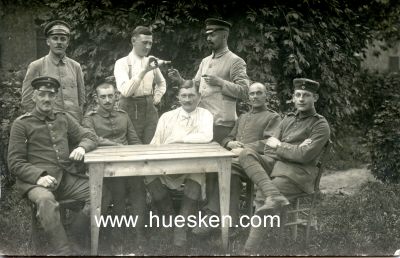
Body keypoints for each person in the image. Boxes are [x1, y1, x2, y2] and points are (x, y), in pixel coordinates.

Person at [168, 17, 250, 215]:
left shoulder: (235, 61)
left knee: (222, 171)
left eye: (213, 34)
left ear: (224, 35)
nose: (209, 38)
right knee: (207, 170)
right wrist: (180, 80)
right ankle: (210, 212)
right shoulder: (205, 61)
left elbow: (245, 91)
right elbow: (195, 86)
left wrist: (220, 82)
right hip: (204, 125)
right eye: (207, 35)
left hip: (223, 124)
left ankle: (219, 215)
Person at [8, 76, 98, 255]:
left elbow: (90, 136)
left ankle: (74, 236)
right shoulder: (21, 124)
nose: (47, 99)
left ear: (56, 97)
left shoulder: (63, 118)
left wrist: (82, 146)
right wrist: (38, 177)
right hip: (34, 182)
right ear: (34, 96)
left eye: (51, 94)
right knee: (45, 201)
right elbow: (15, 162)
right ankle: (64, 251)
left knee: (98, 192)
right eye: (42, 94)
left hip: (64, 178)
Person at [238, 78, 331, 252]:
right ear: (293, 98)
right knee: (246, 153)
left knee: (261, 195)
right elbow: (268, 148)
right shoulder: (287, 119)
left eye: (306, 95)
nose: (301, 99)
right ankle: (274, 195)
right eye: (298, 95)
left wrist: (281, 146)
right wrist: (293, 150)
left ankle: (248, 251)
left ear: (315, 98)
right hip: (278, 165)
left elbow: (304, 156)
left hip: (297, 174)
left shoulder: (320, 124)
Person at [192, 82, 281, 236]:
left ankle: (213, 217)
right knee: (221, 169)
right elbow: (227, 137)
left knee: (227, 168)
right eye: (252, 93)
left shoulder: (273, 117)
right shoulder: (243, 117)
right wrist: (229, 142)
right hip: (237, 162)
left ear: (266, 95)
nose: (255, 96)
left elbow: (270, 142)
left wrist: (245, 148)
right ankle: (228, 222)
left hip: (259, 162)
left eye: (259, 93)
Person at [145, 80, 213, 248]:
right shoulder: (167, 117)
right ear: (178, 97)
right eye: (184, 95)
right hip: (166, 165)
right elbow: (155, 143)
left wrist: (180, 139)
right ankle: (168, 218)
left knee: (198, 173)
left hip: (191, 165)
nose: (188, 99)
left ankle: (181, 226)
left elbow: (206, 136)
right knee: (148, 174)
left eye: (191, 95)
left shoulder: (205, 115)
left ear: (198, 97)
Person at [82, 79, 146, 251]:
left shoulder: (123, 115)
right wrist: (116, 146)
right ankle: (118, 235)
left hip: (128, 164)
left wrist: (143, 158)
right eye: (103, 97)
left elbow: (133, 139)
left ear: (116, 96)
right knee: (117, 191)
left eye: (110, 96)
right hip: (106, 167)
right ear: (97, 98)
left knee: (139, 187)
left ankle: (139, 233)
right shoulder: (90, 118)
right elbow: (91, 138)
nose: (107, 100)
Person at [21, 20, 85, 123]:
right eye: (55, 38)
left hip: (74, 125)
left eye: (63, 39)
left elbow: (81, 101)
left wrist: (78, 123)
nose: (59, 42)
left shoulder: (76, 66)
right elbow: (27, 101)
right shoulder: (36, 66)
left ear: (67, 43)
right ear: (48, 41)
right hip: (48, 125)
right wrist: (40, 123)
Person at [114, 26, 167, 144]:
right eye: (144, 42)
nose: (147, 47)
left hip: (149, 108)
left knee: (152, 144)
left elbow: (161, 83)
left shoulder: (151, 62)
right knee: (132, 146)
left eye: (150, 43)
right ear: (133, 41)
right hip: (129, 108)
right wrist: (143, 71)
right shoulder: (121, 63)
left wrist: (157, 97)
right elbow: (126, 92)